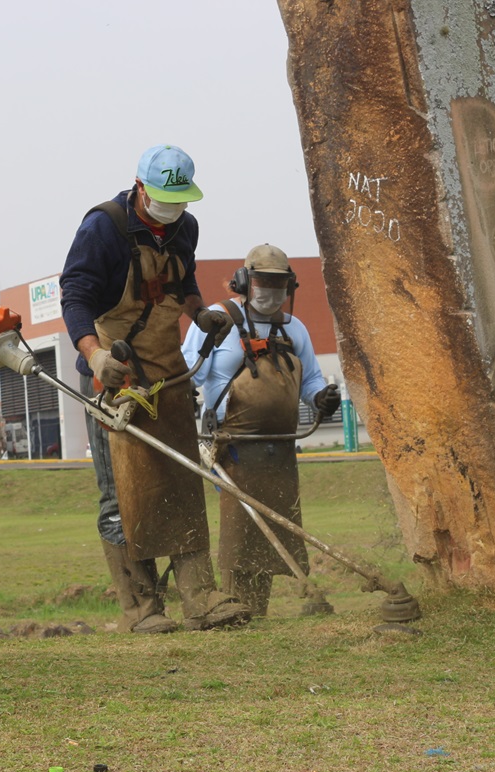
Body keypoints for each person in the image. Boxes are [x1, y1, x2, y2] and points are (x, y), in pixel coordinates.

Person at [60, 144, 251, 633]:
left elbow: (181, 278)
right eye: (163, 198)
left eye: (180, 199)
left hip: (167, 371)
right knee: (121, 493)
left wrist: (199, 312)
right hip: (114, 376)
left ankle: (201, 598)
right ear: (140, 187)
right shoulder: (103, 226)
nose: (171, 210)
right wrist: (94, 356)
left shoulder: (184, 226)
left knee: (181, 482)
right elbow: (76, 295)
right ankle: (141, 606)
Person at [180, 244, 340, 616]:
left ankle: (256, 610)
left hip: (281, 447)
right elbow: (190, 372)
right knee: (241, 531)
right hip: (232, 446)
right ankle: (237, 605)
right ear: (244, 281)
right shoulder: (217, 319)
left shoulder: (293, 327)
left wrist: (320, 399)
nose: (271, 292)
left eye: (279, 284)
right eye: (263, 283)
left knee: (276, 526)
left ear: (290, 287)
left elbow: (312, 379)